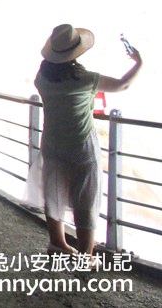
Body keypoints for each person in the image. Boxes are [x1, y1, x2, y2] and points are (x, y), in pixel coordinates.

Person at [33, 24, 142, 258]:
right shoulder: (85, 79)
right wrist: (138, 63)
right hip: (81, 145)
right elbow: (122, 85)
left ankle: (57, 244)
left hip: (52, 142)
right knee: (86, 199)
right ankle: (86, 256)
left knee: (53, 192)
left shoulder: (41, 79)